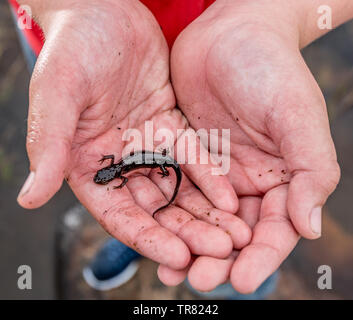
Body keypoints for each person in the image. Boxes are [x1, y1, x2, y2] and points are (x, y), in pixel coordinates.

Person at [13, 0, 348, 296]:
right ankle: (132, 242)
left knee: (235, 232)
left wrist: (277, 15)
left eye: (108, 175)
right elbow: (115, 170)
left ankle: (240, 286)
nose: (109, 174)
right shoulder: (113, 168)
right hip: (83, 53)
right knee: (99, 180)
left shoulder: (117, 170)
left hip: (214, 72)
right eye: (108, 175)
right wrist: (62, 7)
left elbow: (129, 169)